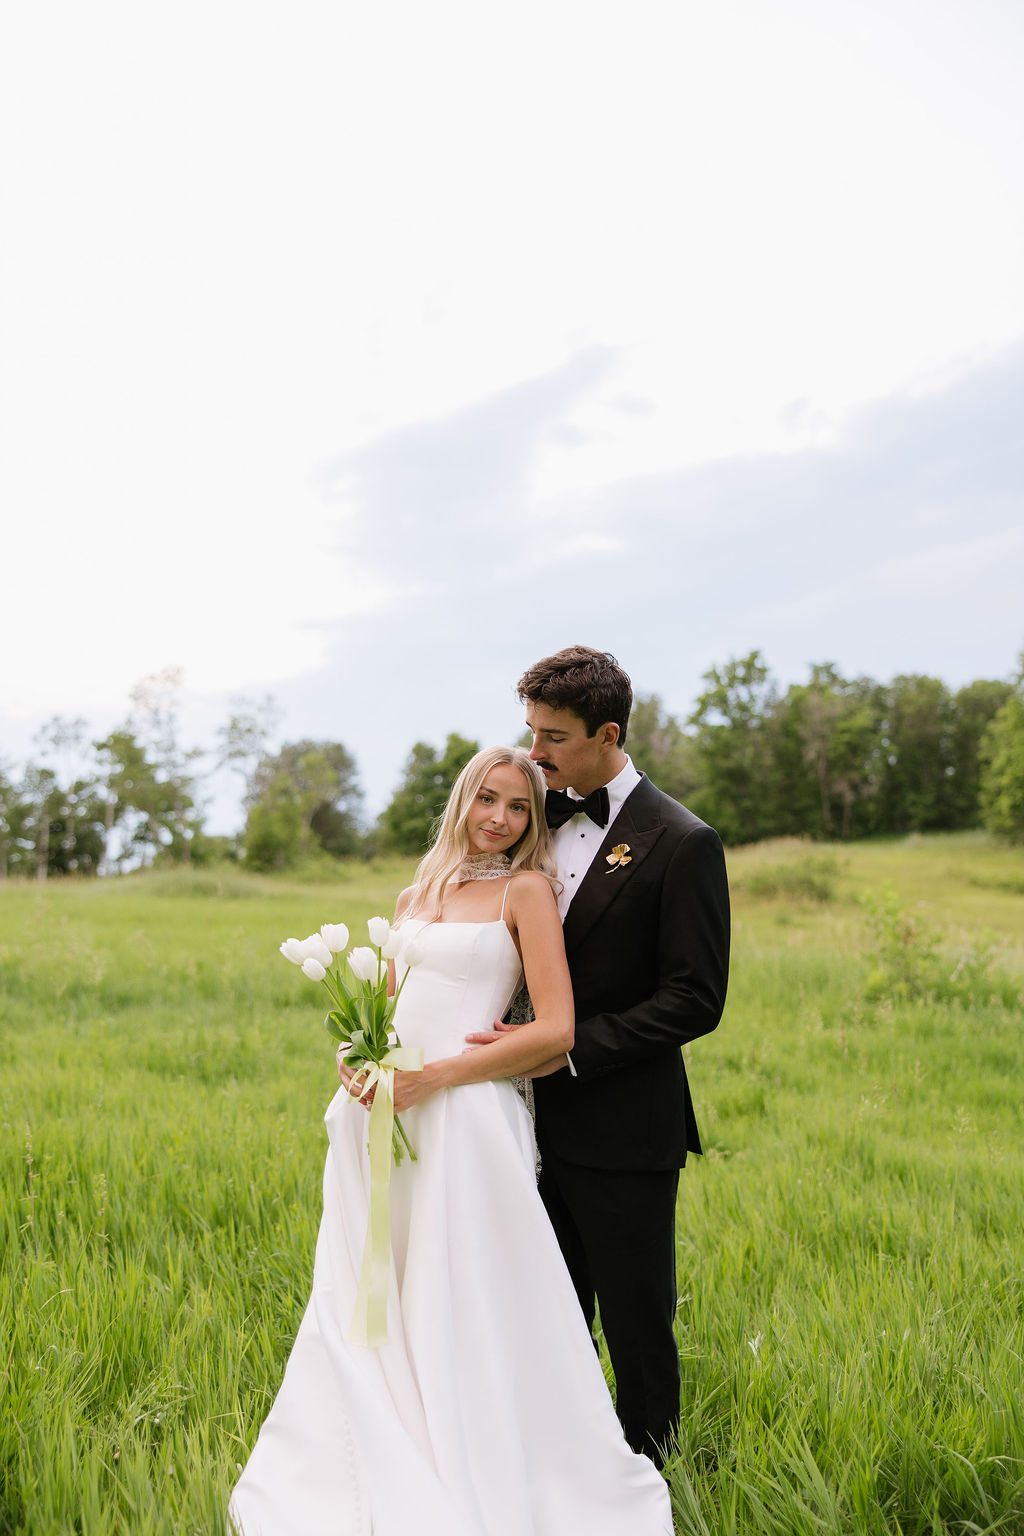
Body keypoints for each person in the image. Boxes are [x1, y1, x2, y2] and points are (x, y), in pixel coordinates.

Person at [228, 746, 673, 1536]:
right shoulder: (416, 894)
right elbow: (388, 1007)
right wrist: (354, 1057)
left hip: (467, 1116)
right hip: (385, 1112)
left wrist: (435, 1078)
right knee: (382, 1280)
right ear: (463, 801)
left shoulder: (527, 892)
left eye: (519, 807)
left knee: (460, 1282)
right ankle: (384, 1428)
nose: (499, 818)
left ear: (533, 820)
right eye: (487, 800)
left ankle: (476, 1443)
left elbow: (556, 1029)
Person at [467, 647, 730, 1465]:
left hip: (623, 1128)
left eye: (553, 737)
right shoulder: (527, 819)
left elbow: (695, 998)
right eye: (530, 731)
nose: (534, 751)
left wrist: (568, 1053)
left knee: (636, 1319)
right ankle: (557, 1462)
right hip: (514, 1121)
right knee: (541, 1310)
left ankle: (649, 1475)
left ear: (607, 735)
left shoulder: (682, 841)